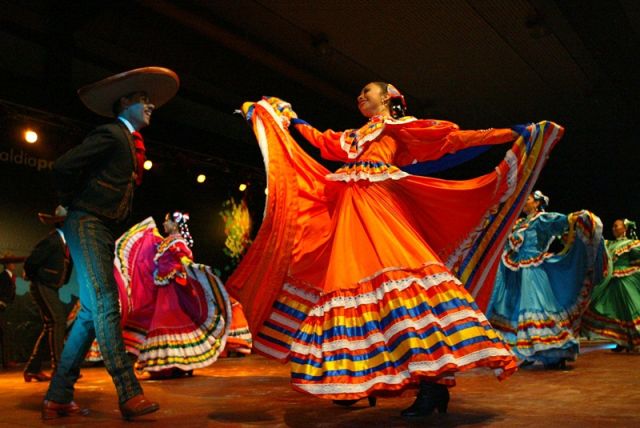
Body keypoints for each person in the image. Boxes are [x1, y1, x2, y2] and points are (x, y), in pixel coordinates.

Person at [227, 82, 564, 418]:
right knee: (349, 285)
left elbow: (452, 140)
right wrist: (289, 120)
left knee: (400, 283)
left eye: (367, 91)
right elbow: (321, 140)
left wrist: (506, 134)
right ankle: (354, 379)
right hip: (349, 212)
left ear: (387, 98)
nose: (360, 96)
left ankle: (431, 385)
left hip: (378, 206)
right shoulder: (355, 136)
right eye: (358, 94)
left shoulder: (400, 127)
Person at [43, 67, 179, 420]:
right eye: (143, 100)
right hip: (87, 221)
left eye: (151, 101)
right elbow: (62, 167)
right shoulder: (112, 133)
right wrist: (72, 203)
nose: (151, 106)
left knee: (90, 313)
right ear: (125, 103)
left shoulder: (131, 141)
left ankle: (58, 396)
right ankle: (128, 392)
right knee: (105, 302)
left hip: (99, 226)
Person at [486, 191, 607, 369]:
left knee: (540, 309)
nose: (524, 202)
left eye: (527, 199)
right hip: (519, 272)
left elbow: (565, 222)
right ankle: (529, 350)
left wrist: (577, 218)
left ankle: (557, 353)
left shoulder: (542, 219)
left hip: (535, 271)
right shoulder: (519, 223)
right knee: (519, 311)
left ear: (537, 203)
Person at [113, 212, 232, 379]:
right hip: (162, 289)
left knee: (167, 324)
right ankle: (171, 366)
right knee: (163, 324)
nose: (164, 224)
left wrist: (191, 268)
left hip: (172, 291)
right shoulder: (164, 241)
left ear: (174, 224)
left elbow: (183, 257)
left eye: (166, 222)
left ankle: (172, 366)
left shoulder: (177, 241)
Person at [22, 211, 73, 382]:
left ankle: (32, 369)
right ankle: (60, 370)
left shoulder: (66, 243)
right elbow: (31, 262)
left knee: (50, 325)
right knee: (58, 320)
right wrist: (36, 276)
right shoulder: (52, 240)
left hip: (51, 286)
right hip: (42, 285)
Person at [582, 219, 640, 352]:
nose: (613, 228)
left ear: (624, 228)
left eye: (616, 226)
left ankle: (633, 339)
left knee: (630, 311)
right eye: (613, 226)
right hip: (612, 281)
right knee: (616, 312)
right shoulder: (609, 244)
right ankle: (622, 340)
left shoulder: (632, 244)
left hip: (626, 281)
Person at [0, 253, 22, 369]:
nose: (14, 265)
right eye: (12, 262)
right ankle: (6, 361)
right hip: (2, 308)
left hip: (8, 308)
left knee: (8, 334)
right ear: (7, 264)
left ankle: (8, 360)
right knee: (5, 334)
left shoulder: (11, 276)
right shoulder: (2, 276)